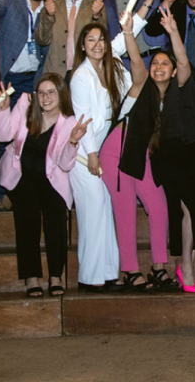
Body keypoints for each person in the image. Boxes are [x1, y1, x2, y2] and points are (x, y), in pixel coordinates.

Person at [121, 7, 195, 292]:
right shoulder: (187, 82)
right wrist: (173, 32)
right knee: (185, 210)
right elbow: (182, 63)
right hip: (172, 152)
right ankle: (185, 268)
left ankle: (187, 269)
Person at [97, 0, 176, 292]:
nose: (158, 67)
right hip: (117, 153)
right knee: (126, 211)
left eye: (164, 63)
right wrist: (129, 33)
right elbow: (135, 62)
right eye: (155, 62)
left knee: (159, 208)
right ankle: (130, 270)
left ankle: (158, 266)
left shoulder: (174, 98)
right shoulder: (140, 87)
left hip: (142, 158)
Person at [0, 74, 90, 297]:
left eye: (51, 92)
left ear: (61, 94)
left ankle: (56, 276)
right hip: (21, 174)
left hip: (52, 177)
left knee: (56, 219)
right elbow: (4, 135)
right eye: (41, 93)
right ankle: (31, 277)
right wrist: (3, 110)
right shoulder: (26, 106)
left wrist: (74, 141)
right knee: (27, 219)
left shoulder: (69, 122)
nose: (45, 98)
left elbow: (65, 164)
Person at [68, 22, 138, 292]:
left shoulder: (109, 67)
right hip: (87, 156)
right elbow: (83, 120)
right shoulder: (81, 76)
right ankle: (90, 277)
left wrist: (139, 14)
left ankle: (108, 273)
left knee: (104, 211)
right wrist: (93, 155)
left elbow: (123, 39)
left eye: (101, 40)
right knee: (93, 214)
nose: (97, 45)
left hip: (104, 153)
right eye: (90, 40)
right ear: (82, 45)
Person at [36, 0, 108, 76]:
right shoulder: (51, 5)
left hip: (86, 75)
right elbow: (41, 40)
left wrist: (96, 17)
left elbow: (101, 45)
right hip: (55, 76)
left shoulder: (97, 7)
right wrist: (48, 16)